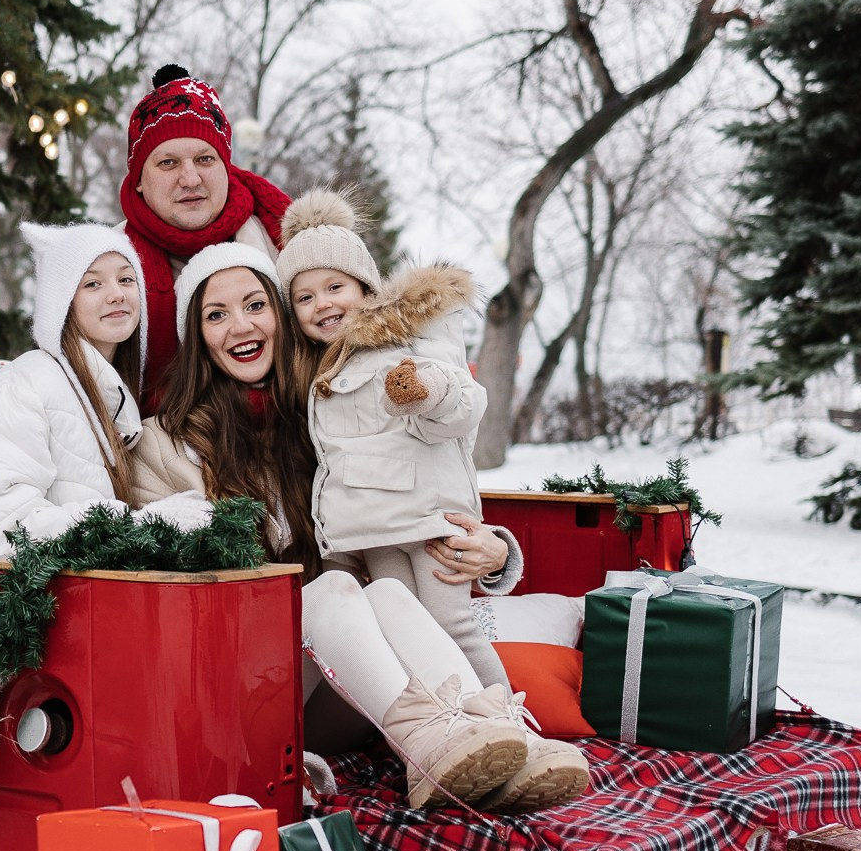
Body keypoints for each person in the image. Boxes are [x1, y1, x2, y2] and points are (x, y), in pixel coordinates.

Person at [131, 245, 589, 813]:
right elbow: (163, 594)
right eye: (216, 315)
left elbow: (425, 476)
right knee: (332, 589)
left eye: (256, 305)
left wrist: (494, 550)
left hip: (341, 683)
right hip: (243, 693)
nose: (241, 326)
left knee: (390, 591)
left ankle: (503, 738)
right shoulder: (160, 445)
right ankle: (431, 746)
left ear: (281, 319)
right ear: (195, 336)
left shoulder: (325, 419)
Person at [276, 190, 506, 691]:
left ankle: (514, 727)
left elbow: (462, 402)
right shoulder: (324, 367)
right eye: (305, 297)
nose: (322, 304)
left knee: (452, 628)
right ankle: (444, 741)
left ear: (364, 285)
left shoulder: (404, 337)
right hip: (375, 530)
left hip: (430, 520)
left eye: (334, 286)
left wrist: (426, 393)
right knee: (404, 636)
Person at [0, 223, 211, 560]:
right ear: (62, 302)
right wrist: (137, 524)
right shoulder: (27, 381)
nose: (117, 294)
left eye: (126, 279)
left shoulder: (111, 396)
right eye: (93, 283)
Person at [118, 65, 291, 396]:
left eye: (205, 159)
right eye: (168, 163)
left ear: (226, 167)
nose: (191, 179)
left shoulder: (285, 243)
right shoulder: (108, 264)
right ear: (139, 179)